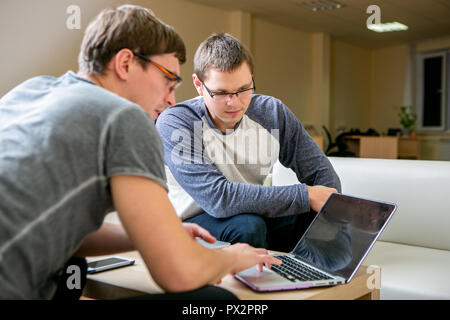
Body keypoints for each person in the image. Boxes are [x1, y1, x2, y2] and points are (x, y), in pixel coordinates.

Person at [0, 6, 280, 300]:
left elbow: (61, 231)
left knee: (74, 266)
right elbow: (179, 274)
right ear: (125, 63)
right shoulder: (124, 116)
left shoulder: (30, 91)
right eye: (168, 79)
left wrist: (161, 235)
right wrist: (234, 257)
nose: (171, 100)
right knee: (217, 300)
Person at [156, 33, 341, 253]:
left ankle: (308, 279)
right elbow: (218, 198)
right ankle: (255, 284)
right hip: (194, 221)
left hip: (252, 213)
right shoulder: (176, 122)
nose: (234, 103)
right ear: (198, 84)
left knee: (315, 216)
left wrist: (332, 209)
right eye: (221, 92)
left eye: (244, 89)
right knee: (248, 227)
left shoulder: (272, 113)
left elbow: (320, 173)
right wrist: (306, 194)